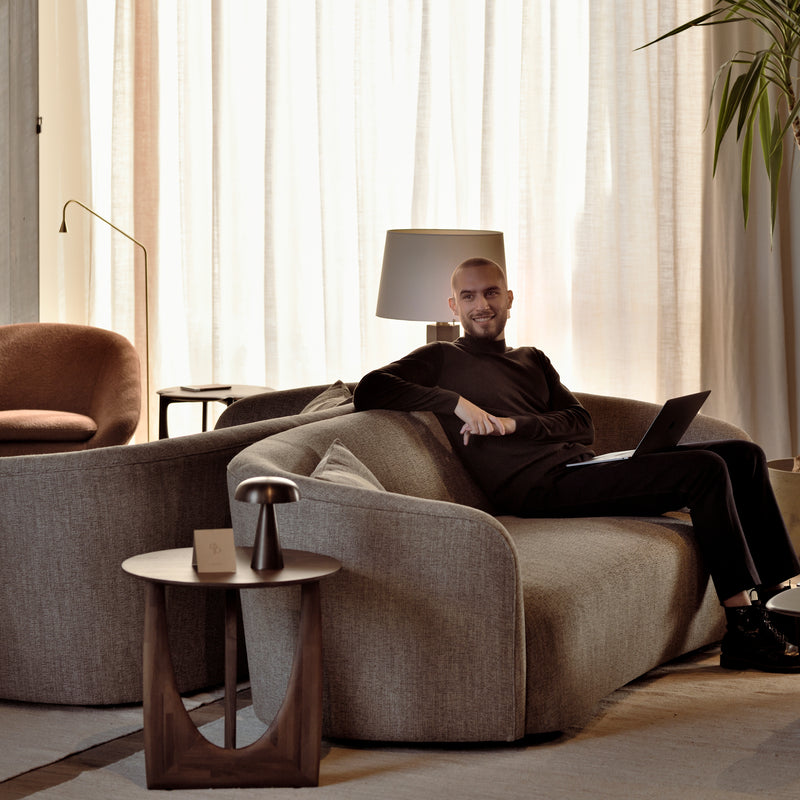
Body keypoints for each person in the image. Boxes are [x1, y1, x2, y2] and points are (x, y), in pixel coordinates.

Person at [354, 256, 800, 673]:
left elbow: (580, 424)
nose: (482, 305)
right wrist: (456, 404)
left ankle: (784, 604)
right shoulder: (442, 358)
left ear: (510, 298)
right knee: (703, 468)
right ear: (454, 306)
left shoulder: (532, 359)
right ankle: (744, 628)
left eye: (491, 293)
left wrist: (511, 425)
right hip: (537, 490)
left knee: (744, 455)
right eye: (468, 297)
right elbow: (371, 389)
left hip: (582, 468)